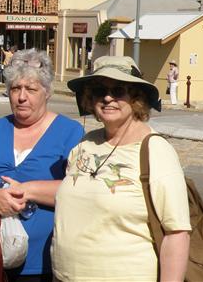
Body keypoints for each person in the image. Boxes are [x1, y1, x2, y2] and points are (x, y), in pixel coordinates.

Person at [51, 56, 191, 282]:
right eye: (98, 91)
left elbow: (177, 234)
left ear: (136, 97)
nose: (107, 98)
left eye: (118, 90)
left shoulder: (154, 150)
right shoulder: (85, 145)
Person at [0, 49, 84, 281]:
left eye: (31, 89)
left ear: (47, 92)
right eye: (15, 88)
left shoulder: (71, 132)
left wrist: (27, 190)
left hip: (42, 263)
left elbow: (79, 190)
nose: (21, 97)